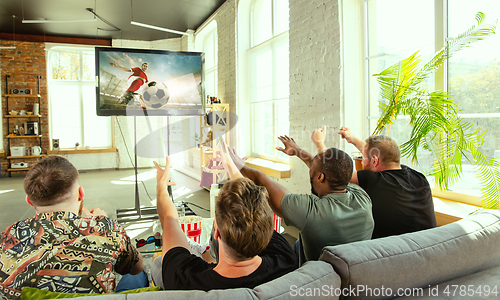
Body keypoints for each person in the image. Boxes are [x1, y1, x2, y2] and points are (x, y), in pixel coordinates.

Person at [0, 156, 145, 299]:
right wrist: (99, 222)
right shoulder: (106, 228)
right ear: (81, 194)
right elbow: (137, 267)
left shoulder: (5, 238)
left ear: (29, 201)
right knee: (138, 276)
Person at [152, 155, 297, 291]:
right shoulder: (285, 257)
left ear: (217, 231)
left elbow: (170, 221)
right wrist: (230, 163)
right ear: (268, 228)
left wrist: (161, 186)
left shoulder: (183, 278)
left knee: (157, 264)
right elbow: (254, 205)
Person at [226, 136, 373, 266]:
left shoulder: (311, 212)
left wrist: (238, 164)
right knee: (297, 244)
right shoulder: (362, 197)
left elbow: (261, 180)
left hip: (319, 283)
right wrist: (297, 151)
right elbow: (330, 170)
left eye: (312, 170)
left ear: (320, 177)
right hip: (355, 270)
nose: (310, 170)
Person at [336, 126, 437, 239]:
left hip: (394, 253)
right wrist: (353, 139)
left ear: (375, 161)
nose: (362, 162)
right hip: (430, 248)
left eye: (363, 157)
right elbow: (379, 152)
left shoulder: (374, 181)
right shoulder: (419, 177)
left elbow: (336, 172)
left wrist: (320, 143)